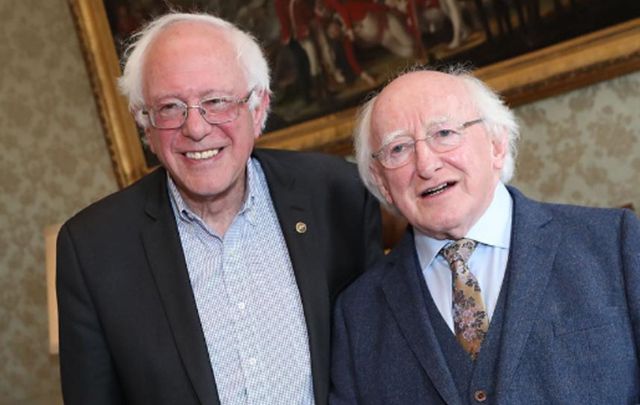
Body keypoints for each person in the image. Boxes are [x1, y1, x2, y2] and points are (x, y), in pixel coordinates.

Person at [56, 12, 382, 405]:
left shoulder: (337, 194)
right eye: (171, 107)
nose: (196, 128)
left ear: (258, 108)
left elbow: (382, 355)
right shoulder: (92, 250)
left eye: (216, 101)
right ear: (145, 125)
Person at [330, 66, 640, 404]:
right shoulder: (357, 315)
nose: (426, 164)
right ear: (381, 183)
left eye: (444, 133)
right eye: (398, 149)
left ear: (496, 144)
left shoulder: (615, 244)